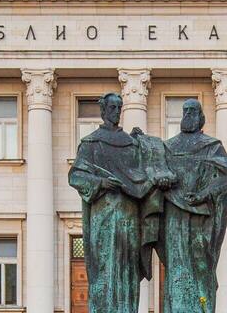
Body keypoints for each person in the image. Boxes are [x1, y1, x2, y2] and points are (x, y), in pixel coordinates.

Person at [69, 93, 174, 313]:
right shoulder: (91, 143)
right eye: (112, 107)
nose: (116, 111)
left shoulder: (131, 143)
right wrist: (101, 182)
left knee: (128, 271)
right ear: (103, 110)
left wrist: (144, 143)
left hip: (129, 217)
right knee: (104, 271)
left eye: (119, 107)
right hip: (104, 216)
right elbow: (76, 176)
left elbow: (147, 167)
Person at [158, 99, 227, 313]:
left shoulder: (211, 146)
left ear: (201, 117)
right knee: (176, 266)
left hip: (201, 217)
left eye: (193, 111)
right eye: (185, 111)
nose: (188, 115)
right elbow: (155, 173)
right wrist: (163, 180)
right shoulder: (168, 147)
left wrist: (204, 194)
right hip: (174, 214)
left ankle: (201, 308)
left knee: (202, 265)